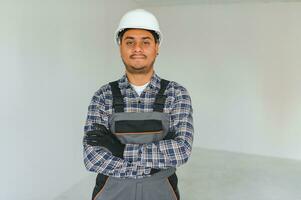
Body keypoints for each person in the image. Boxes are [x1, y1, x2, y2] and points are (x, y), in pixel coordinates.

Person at [83, 8, 194, 200]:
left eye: (145, 42)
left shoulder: (176, 94)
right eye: (130, 42)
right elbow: (92, 158)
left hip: (160, 190)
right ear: (120, 48)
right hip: (112, 191)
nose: (137, 48)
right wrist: (152, 163)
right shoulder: (103, 96)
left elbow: (182, 151)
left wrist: (121, 150)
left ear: (157, 47)